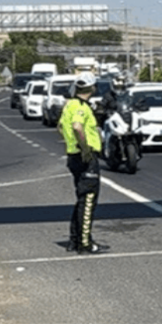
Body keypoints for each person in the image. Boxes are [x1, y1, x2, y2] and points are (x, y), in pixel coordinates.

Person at [59, 72, 107, 254]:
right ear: (92, 88)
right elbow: (77, 126)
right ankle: (85, 243)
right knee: (88, 200)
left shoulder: (69, 105)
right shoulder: (81, 107)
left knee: (81, 199)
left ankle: (74, 239)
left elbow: (61, 127)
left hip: (73, 156)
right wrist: (85, 147)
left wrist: (71, 143)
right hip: (85, 157)